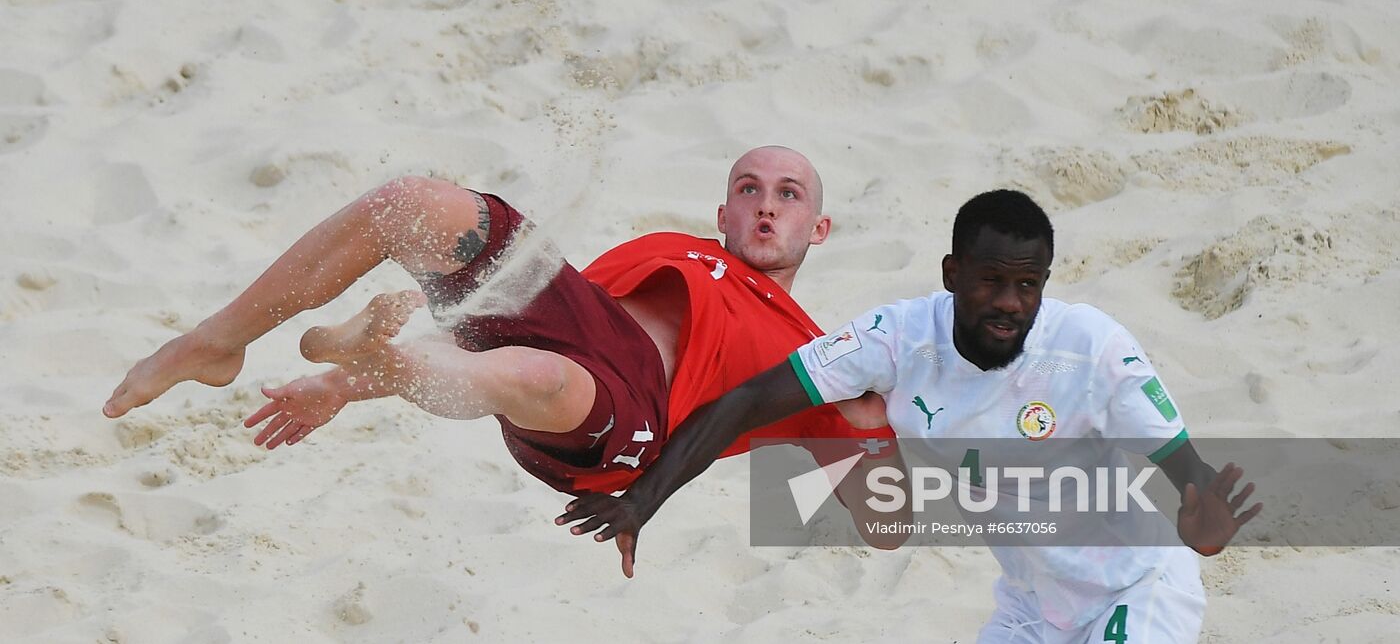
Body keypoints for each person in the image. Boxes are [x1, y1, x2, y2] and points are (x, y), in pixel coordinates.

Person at [558, 189, 1262, 642]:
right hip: (1030, 606)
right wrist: (643, 498)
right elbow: (745, 399)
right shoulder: (893, 339)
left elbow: (1192, 481)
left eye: (1029, 284)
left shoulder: (1094, 347)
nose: (1011, 302)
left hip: (1137, 589)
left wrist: (1205, 529)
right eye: (991, 280)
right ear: (953, 272)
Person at [103, 146, 895, 513]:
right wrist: (340, 391)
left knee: (539, 377)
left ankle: (381, 350)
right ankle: (216, 340)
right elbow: (544, 313)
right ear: (720, 213)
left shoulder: (817, 352)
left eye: (788, 194)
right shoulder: (664, 249)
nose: (765, 203)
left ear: (818, 227)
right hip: (573, 330)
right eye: (748, 187)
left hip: (624, 420)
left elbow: (884, 488)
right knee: (415, 201)